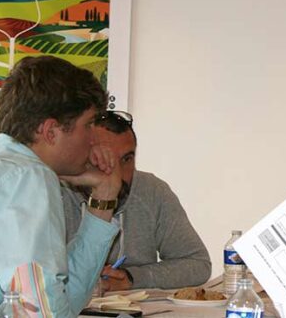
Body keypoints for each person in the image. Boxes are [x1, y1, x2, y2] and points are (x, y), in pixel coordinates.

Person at [0, 56, 122, 317]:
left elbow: (56, 303)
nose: (94, 139)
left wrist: (104, 196)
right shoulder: (25, 178)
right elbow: (38, 313)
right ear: (51, 131)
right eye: (88, 125)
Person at [62, 110, 212, 291]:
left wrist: (132, 278)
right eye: (103, 158)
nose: (118, 174)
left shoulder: (152, 191)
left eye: (127, 159)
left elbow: (197, 264)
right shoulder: (56, 192)